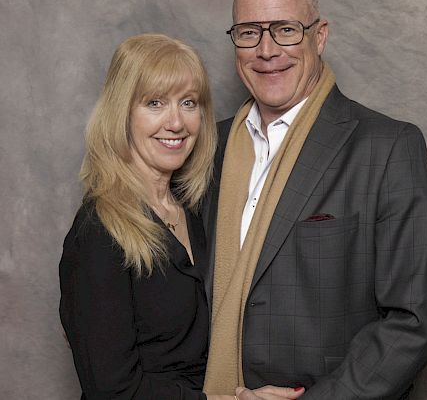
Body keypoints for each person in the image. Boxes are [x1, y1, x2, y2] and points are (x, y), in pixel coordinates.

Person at [202, 0, 427, 399]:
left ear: (319, 36)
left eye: (284, 30)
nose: (266, 50)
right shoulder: (206, 147)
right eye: (248, 33)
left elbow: (415, 319)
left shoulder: (387, 147)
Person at [59, 34, 304, 400]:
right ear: (121, 113)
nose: (176, 123)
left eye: (188, 103)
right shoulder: (99, 231)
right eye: (155, 103)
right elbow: (112, 390)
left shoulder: (195, 212)